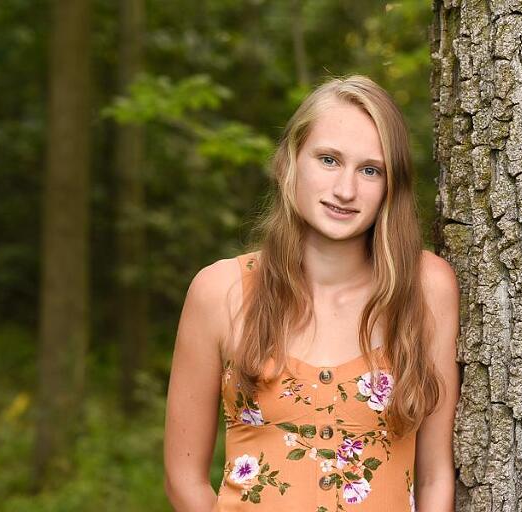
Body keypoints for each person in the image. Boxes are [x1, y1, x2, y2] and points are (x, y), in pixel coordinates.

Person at [163, 74, 460, 511]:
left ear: (391, 186)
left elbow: (436, 479)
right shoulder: (221, 291)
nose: (345, 190)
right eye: (328, 160)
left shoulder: (425, 288)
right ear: (289, 162)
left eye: (370, 170)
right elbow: (183, 479)